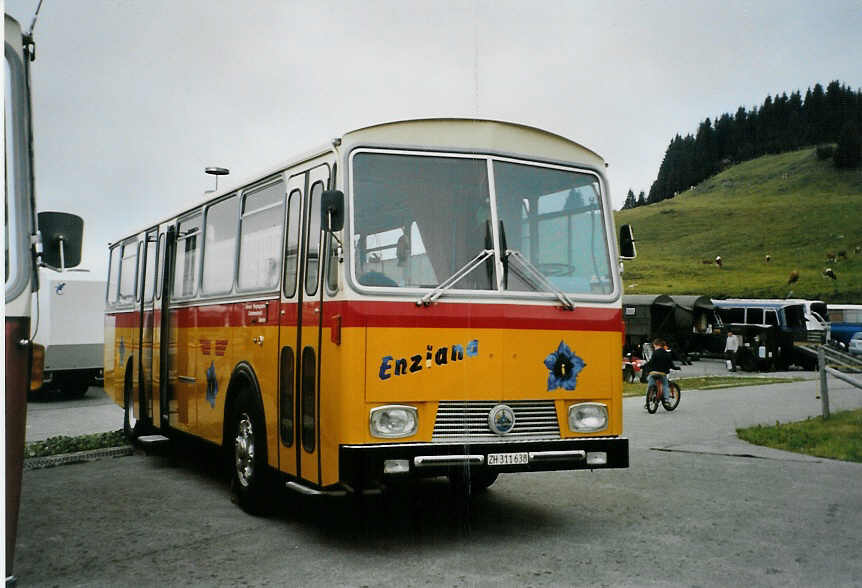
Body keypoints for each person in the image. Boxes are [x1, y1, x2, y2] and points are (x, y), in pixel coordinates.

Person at [642, 337, 677, 404]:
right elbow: (670, 363)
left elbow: (651, 362)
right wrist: (675, 367)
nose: (653, 347)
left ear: (656, 344)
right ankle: (666, 400)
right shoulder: (666, 353)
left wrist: (643, 366)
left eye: (654, 346)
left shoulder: (655, 353)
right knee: (665, 385)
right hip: (662, 373)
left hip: (653, 373)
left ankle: (648, 400)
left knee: (650, 384)